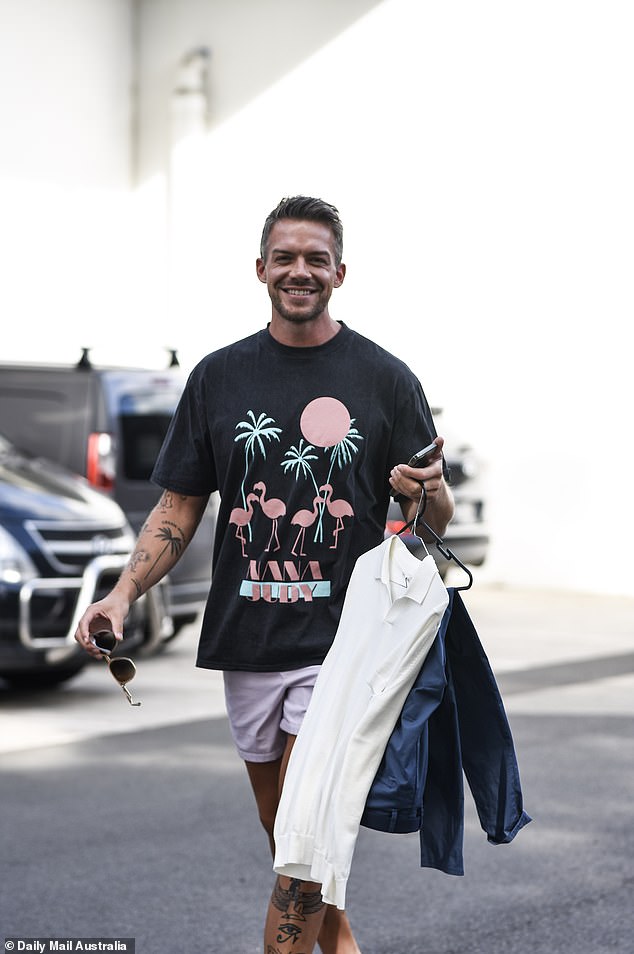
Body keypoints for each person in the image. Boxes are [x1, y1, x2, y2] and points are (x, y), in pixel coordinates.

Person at [75, 195, 455, 953]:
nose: (300, 271)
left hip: (341, 644)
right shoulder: (219, 378)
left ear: (340, 273)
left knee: (306, 838)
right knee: (285, 834)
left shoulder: (383, 378)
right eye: (285, 257)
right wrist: (121, 590)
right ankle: (341, 943)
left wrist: (433, 498)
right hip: (246, 641)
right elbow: (177, 510)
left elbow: (428, 527)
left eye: (317, 258)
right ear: (260, 269)